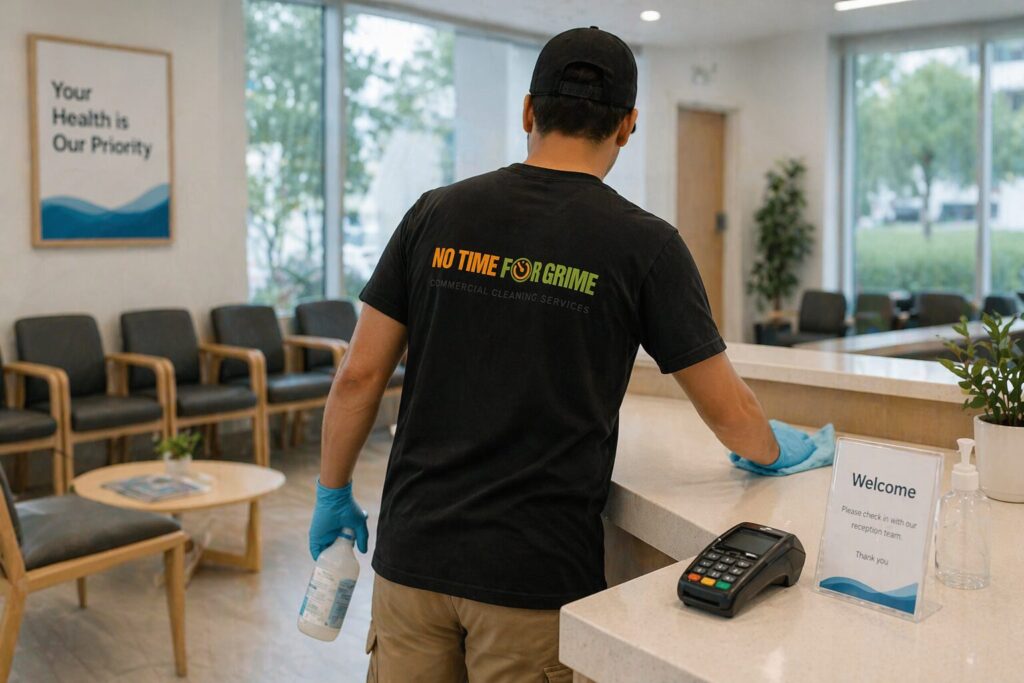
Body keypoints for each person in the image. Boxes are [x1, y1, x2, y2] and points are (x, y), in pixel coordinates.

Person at [310, 26, 809, 683]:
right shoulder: (645, 245)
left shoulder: (434, 214)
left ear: (528, 111)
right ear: (628, 125)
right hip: (532, 580)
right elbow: (727, 410)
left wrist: (331, 489)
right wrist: (777, 451)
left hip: (412, 562)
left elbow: (359, 375)